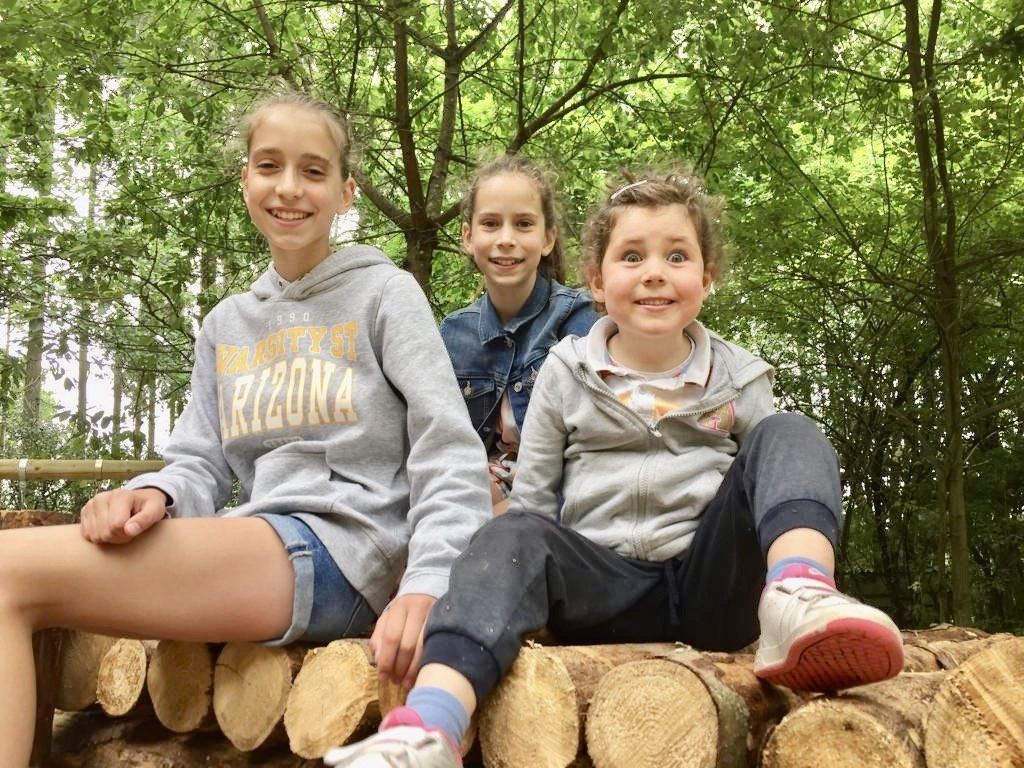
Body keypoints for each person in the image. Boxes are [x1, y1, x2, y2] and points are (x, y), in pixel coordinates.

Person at [325, 166, 904, 767]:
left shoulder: (741, 376)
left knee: (791, 431)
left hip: (713, 589)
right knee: (511, 532)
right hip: (602, 589)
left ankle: (802, 592)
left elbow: (776, 479)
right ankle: (429, 726)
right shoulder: (565, 372)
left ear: (706, 278)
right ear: (596, 282)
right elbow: (535, 503)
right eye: (632, 256)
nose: (654, 271)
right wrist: (518, 591)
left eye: (676, 256)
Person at [0, 88, 491, 766]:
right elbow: (198, 460)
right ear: (245, 180)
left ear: (346, 192)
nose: (289, 187)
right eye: (270, 165)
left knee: (6, 575)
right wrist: (159, 494)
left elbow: (447, 448)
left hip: (345, 552)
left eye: (313, 170)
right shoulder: (226, 323)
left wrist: (430, 579)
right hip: (262, 541)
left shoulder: (386, 294)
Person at [440, 155, 599, 510]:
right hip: (480, 490)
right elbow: (442, 445)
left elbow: (592, 449)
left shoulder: (580, 321)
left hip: (559, 494)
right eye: (491, 224)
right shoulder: (454, 334)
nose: (506, 239)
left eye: (524, 224)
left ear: (547, 238)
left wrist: (507, 512)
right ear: (468, 236)